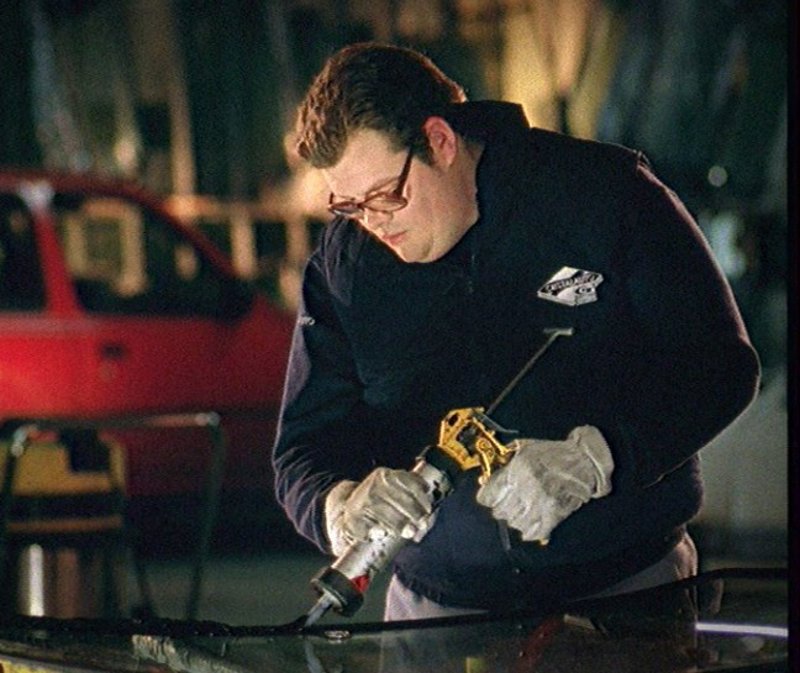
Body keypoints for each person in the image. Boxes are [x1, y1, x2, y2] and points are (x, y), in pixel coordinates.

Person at [271, 42, 760, 621]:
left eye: (385, 196)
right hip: (436, 613)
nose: (374, 224)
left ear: (440, 141)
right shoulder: (346, 265)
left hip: (629, 592)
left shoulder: (605, 194)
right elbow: (303, 448)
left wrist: (600, 457)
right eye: (350, 206)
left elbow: (720, 367)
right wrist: (338, 505)